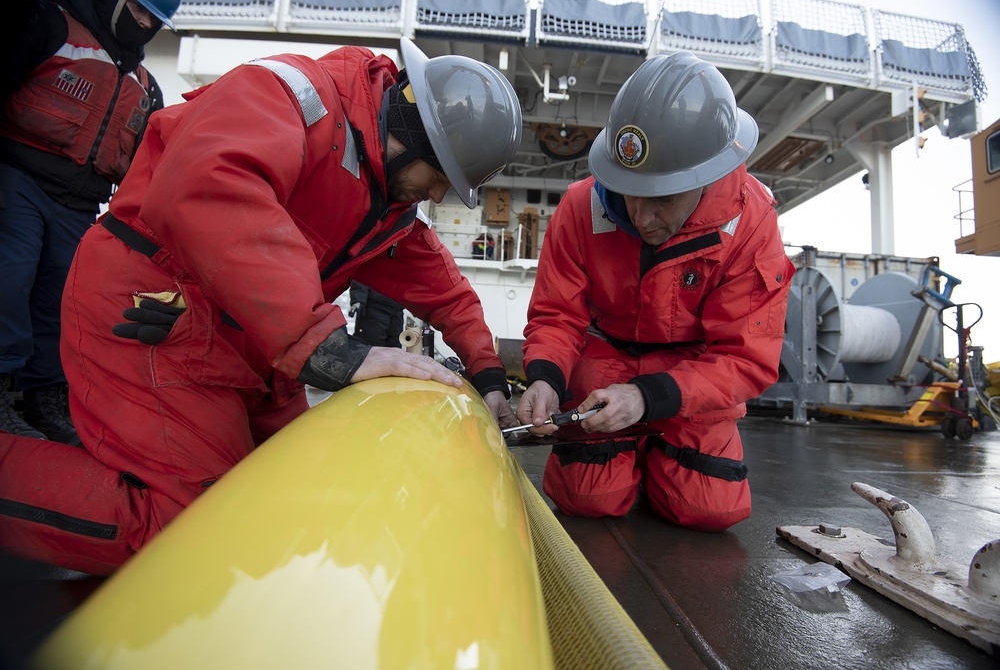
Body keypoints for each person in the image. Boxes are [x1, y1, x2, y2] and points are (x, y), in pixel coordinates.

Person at [0, 37, 523, 575]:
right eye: (438, 179)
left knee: (291, 498)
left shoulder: (386, 203)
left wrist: (487, 376)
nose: (437, 197)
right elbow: (208, 184)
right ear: (410, 138)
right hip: (154, 310)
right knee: (193, 526)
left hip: (250, 345)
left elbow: (445, 290)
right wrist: (327, 347)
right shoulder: (291, 94)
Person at [515, 51, 795, 531]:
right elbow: (558, 315)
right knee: (587, 497)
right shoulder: (580, 206)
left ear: (705, 179)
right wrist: (545, 378)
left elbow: (745, 356)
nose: (642, 219)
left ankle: (650, 452)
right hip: (604, 361)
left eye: (662, 199)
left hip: (692, 375)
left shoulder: (751, 223)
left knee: (710, 508)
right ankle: (633, 459)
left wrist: (649, 397)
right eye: (630, 192)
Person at [0, 0, 180, 445]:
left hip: (79, 204)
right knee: (9, 279)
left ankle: (44, 398)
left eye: (152, 17)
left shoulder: (144, 85)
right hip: (18, 178)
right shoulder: (47, 24)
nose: (143, 22)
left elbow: (146, 172)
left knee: (60, 301)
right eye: (138, 8)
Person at [349, 281, 406, 348]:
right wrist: (358, 298)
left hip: (397, 311)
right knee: (370, 349)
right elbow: (361, 274)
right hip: (374, 308)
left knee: (395, 351)